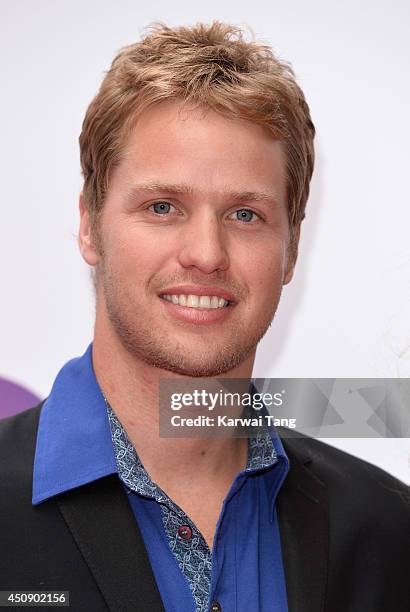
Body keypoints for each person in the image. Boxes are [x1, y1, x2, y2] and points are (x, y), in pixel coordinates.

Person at [0, 21, 408, 612]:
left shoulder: (387, 531)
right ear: (90, 224)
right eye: (162, 206)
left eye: (245, 215)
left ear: (292, 247)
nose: (207, 254)